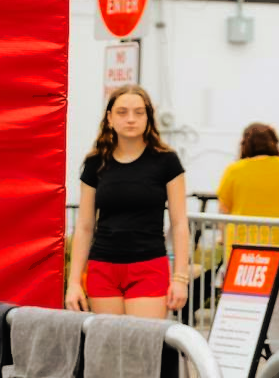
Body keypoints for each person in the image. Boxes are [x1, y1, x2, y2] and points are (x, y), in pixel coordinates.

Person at [67, 85, 192, 319]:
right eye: (122, 112)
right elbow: (84, 227)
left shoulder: (167, 161)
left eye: (139, 112)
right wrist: (73, 282)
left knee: (143, 346)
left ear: (149, 117)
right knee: (109, 347)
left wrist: (180, 278)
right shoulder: (96, 163)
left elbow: (179, 223)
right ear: (110, 117)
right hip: (103, 268)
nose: (131, 119)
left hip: (148, 267)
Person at [217, 122, 279, 250]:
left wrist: (222, 237)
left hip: (242, 243)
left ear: (244, 144)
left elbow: (224, 207)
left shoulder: (234, 170)